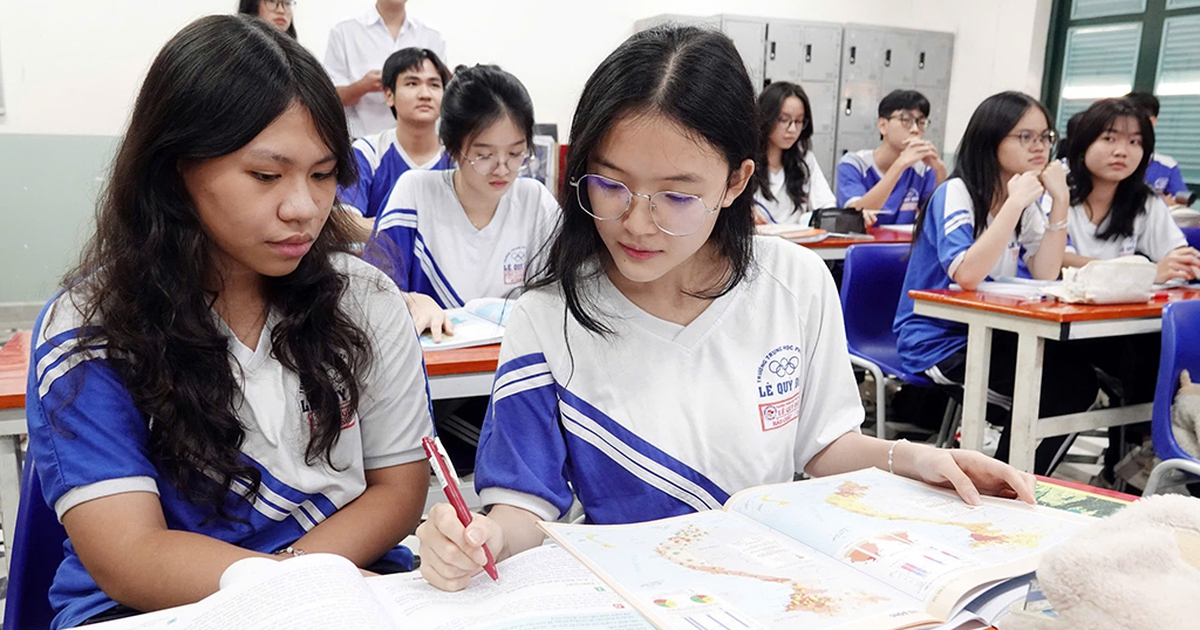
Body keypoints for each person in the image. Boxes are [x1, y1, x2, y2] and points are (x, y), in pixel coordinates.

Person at [414, 26, 1038, 592]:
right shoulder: (549, 313)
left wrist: (914, 460)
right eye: (611, 183)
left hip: (766, 587)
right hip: (626, 594)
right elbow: (525, 506)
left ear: (736, 182)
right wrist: (484, 539)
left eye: (677, 196)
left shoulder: (793, 283)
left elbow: (823, 448)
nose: (637, 222)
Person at [26, 16, 433, 629]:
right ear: (174, 169)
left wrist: (299, 584)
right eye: (265, 176)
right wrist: (287, 593)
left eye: (323, 175)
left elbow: (400, 491)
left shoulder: (366, 299)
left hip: (348, 585)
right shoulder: (93, 329)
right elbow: (128, 554)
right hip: (150, 608)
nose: (303, 208)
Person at [894, 91, 1099, 475]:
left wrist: (1059, 201)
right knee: (1045, 392)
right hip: (939, 341)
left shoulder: (1023, 199)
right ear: (992, 139)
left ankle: (1015, 480)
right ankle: (1006, 485)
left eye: (1044, 136)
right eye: (1026, 137)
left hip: (995, 332)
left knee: (1075, 380)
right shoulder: (955, 193)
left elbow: (1045, 272)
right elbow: (967, 274)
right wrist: (1013, 205)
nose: (1039, 147)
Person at [366, 64, 558, 473]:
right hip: (430, 389)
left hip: (508, 380)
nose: (503, 169)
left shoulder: (534, 200)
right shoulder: (415, 193)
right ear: (452, 147)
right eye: (485, 154)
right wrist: (411, 299)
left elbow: (560, 293)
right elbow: (371, 291)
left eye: (516, 153)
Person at [1060, 97, 1200, 484]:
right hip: (1064, 328)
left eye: (1136, 142)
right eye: (1109, 138)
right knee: (1145, 354)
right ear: (1083, 142)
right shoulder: (1056, 192)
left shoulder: (1144, 202)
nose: (1123, 151)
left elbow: (1176, 255)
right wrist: (1146, 273)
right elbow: (1056, 260)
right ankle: (1143, 457)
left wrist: (1176, 264)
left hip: (1127, 326)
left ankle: (1146, 457)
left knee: (1161, 347)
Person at [340, 47, 453, 241]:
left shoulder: (459, 156)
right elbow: (344, 221)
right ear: (389, 95)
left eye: (434, 85)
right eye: (412, 83)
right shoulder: (368, 152)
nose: (425, 94)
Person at [324, 0, 446, 138]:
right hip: (362, 143)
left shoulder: (431, 36)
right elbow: (328, 99)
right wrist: (362, 87)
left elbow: (444, 95)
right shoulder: (344, 32)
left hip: (419, 143)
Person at [836, 89, 947, 224]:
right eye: (906, 120)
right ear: (883, 126)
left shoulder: (923, 170)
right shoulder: (854, 164)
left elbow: (937, 220)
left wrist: (939, 170)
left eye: (921, 122)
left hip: (903, 244)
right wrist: (899, 165)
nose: (915, 130)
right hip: (863, 243)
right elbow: (855, 215)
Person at [751, 81, 836, 226]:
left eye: (799, 121)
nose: (792, 129)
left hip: (797, 244)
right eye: (784, 120)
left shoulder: (804, 160)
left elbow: (826, 207)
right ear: (766, 117)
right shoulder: (746, 160)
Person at [1124, 91, 1194, 206]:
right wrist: (1158, 201)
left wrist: (1176, 202)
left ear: (1152, 121)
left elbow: (1181, 200)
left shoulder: (1168, 165)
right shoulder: (1115, 158)